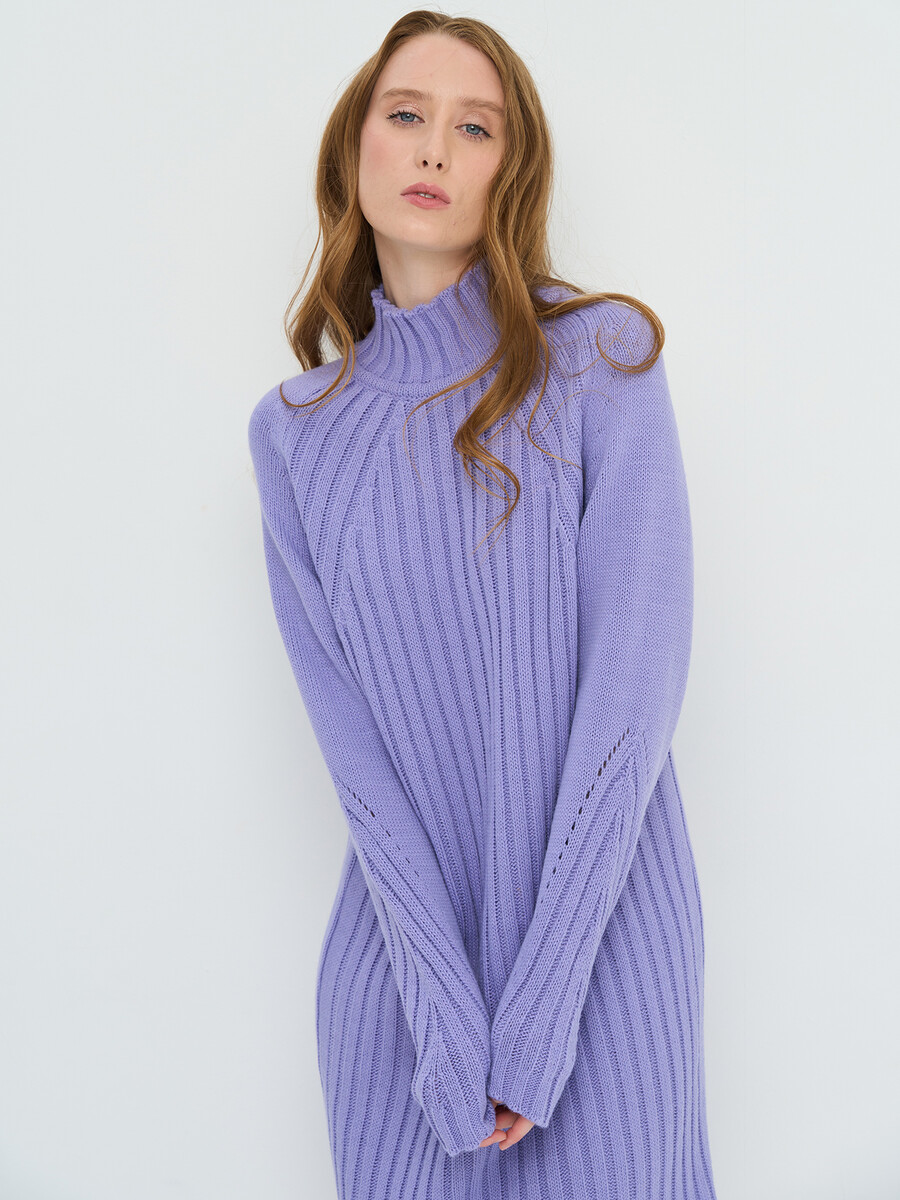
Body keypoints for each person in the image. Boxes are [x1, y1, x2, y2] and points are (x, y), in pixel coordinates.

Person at [248, 9, 718, 1199]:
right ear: (353, 147)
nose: (433, 148)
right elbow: (356, 763)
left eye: (476, 128)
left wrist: (542, 1011)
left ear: (513, 169)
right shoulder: (295, 435)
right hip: (405, 996)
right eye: (406, 114)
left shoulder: (601, 359)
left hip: (604, 969)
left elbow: (633, 696)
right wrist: (448, 1020)